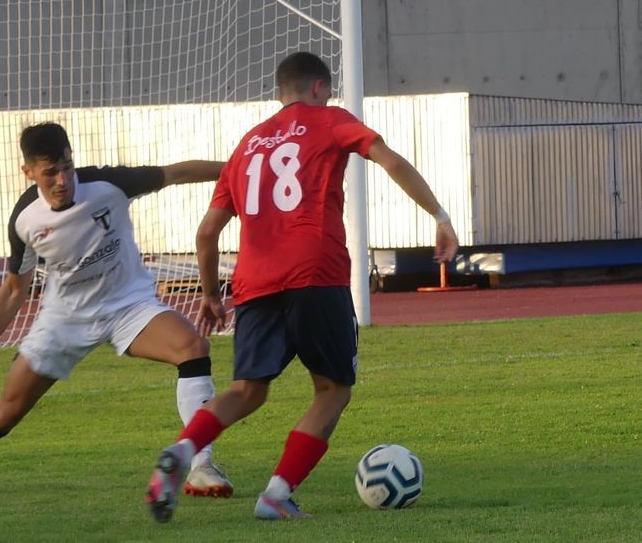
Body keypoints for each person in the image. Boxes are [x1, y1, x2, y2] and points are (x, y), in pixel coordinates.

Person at [145, 52, 460, 522]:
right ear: (319, 87)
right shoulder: (330, 120)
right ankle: (275, 495)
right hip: (316, 272)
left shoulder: (248, 144)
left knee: (247, 389)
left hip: (254, 282)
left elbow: (208, 232)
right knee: (333, 389)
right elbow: (389, 160)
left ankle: (185, 447)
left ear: (279, 92)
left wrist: (211, 294)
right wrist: (439, 216)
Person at [0, 122, 234, 501]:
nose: (63, 180)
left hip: (129, 304)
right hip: (65, 319)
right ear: (28, 172)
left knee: (193, 348)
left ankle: (202, 465)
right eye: (50, 173)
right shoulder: (25, 220)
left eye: (67, 167)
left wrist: (241, 166)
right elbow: (13, 292)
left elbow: (174, 173)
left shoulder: (106, 185)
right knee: (7, 410)